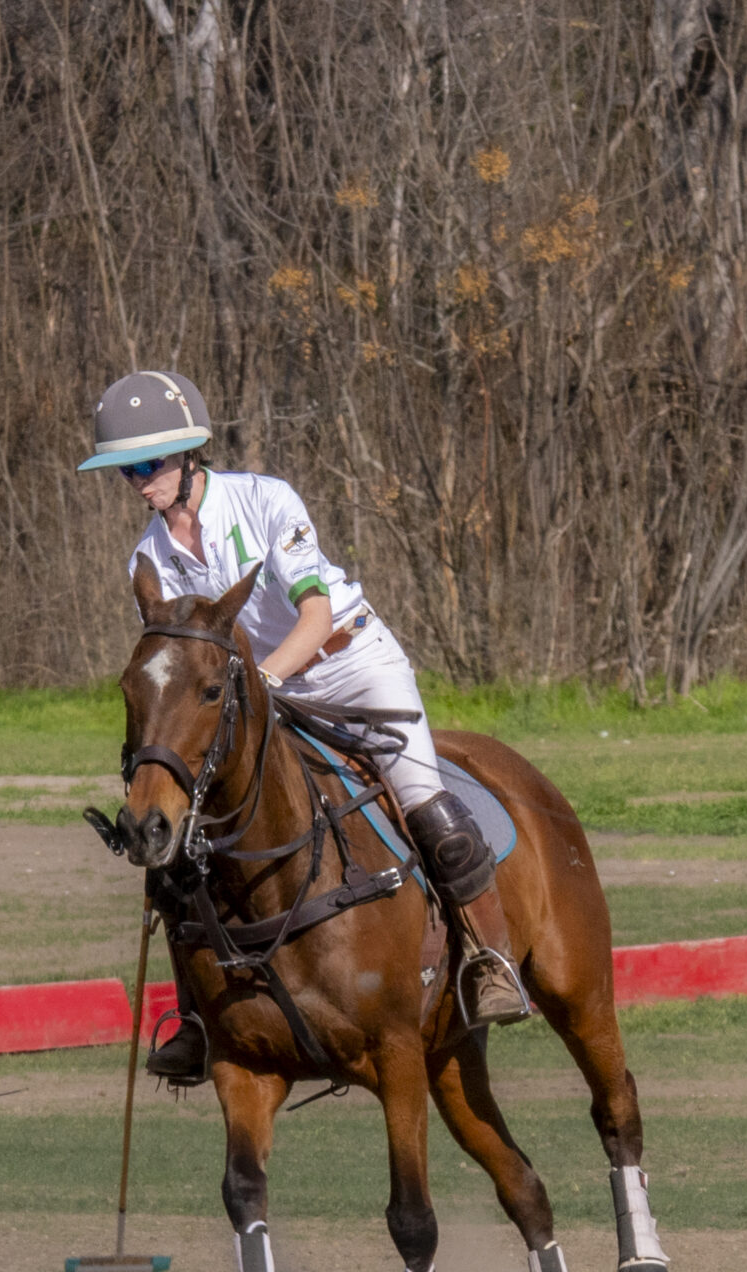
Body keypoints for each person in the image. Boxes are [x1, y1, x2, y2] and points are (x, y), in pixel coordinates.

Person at [80, 369, 534, 1082]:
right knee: (185, 850)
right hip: (258, 696)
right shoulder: (148, 558)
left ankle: (489, 960)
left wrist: (261, 685)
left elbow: (316, 616)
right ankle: (198, 1019)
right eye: (125, 471)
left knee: (426, 804)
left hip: (350, 666)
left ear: (190, 454)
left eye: (148, 465)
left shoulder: (265, 500)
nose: (138, 482)